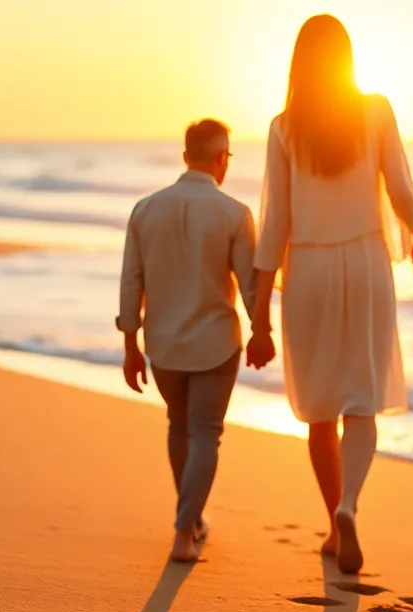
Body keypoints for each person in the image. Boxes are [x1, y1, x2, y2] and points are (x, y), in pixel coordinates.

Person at [250, 14, 413, 575]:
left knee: (320, 410)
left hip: (307, 268)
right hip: (366, 262)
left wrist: (260, 317)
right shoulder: (375, 110)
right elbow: (399, 187)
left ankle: (333, 522)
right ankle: (350, 505)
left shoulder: (284, 127)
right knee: (362, 399)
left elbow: (274, 224)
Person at [117, 118, 261, 563]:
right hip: (215, 342)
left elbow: (130, 282)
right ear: (222, 159)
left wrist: (130, 345)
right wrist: (263, 331)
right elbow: (251, 284)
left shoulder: (145, 209)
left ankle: (190, 519)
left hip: (163, 344)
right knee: (205, 433)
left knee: (179, 426)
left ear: (185, 157)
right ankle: (185, 529)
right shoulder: (235, 213)